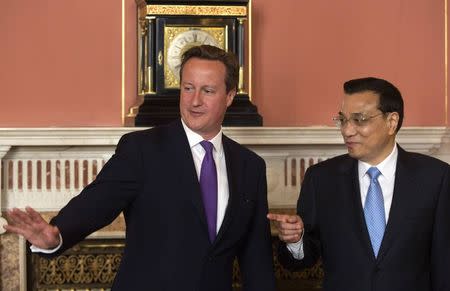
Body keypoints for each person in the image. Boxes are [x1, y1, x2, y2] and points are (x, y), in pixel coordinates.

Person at [5, 45, 276, 291]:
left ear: (229, 96)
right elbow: (96, 202)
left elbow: (257, 261)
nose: (194, 101)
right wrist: (57, 234)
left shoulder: (250, 166)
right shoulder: (142, 149)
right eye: (188, 88)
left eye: (207, 91)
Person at [268, 77, 450, 291]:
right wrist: (295, 240)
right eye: (342, 120)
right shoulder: (321, 180)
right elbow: (298, 263)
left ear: (391, 122)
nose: (347, 131)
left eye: (360, 119)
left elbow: (444, 264)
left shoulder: (436, 178)